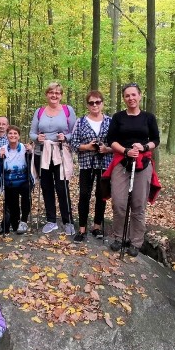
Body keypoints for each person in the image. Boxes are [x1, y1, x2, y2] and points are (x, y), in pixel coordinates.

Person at [105, 83, 160, 257]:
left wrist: (143, 147)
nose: (131, 98)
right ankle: (118, 236)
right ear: (124, 98)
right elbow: (111, 140)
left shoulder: (148, 117)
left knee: (138, 204)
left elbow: (156, 140)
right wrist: (126, 150)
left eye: (133, 95)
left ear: (140, 96)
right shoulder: (118, 117)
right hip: (122, 161)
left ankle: (136, 242)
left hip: (143, 163)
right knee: (119, 203)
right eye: (127, 96)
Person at [30, 82, 76, 235]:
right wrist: (38, 137)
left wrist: (66, 137)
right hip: (41, 153)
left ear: (61, 95)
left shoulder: (67, 110)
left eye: (57, 93)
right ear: (47, 94)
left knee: (62, 187)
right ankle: (51, 220)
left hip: (60, 151)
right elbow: (32, 133)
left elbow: (74, 133)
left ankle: (68, 220)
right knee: (46, 187)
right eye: (51, 92)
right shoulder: (39, 111)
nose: (54, 95)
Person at [70, 90, 112, 243]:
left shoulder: (110, 121)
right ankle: (82, 229)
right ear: (87, 105)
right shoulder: (80, 122)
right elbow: (73, 144)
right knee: (84, 195)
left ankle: (97, 226)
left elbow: (115, 143)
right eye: (91, 102)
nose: (94, 105)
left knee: (101, 196)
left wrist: (105, 148)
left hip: (104, 163)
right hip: (86, 164)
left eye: (97, 102)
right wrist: (87, 147)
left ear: (102, 103)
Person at [0, 126, 33, 234]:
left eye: (15, 133)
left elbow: (33, 165)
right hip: (9, 182)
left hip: (24, 180)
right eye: (10, 133)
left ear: (19, 136)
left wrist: (31, 153)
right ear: (7, 135)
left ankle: (23, 221)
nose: (13, 135)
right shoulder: (2, 150)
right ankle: (16, 223)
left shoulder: (25, 148)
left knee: (26, 197)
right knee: (13, 205)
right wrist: (0, 158)